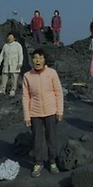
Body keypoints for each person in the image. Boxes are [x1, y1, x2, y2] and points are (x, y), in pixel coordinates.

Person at [23, 48, 64, 177]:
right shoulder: (27, 76)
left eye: (40, 57)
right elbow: (25, 97)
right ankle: (38, 163)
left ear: (44, 59)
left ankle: (52, 161)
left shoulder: (52, 73)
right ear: (32, 60)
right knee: (37, 139)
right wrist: (26, 115)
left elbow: (58, 92)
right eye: (35, 58)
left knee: (51, 138)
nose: (37, 60)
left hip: (51, 111)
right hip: (34, 112)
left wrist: (59, 110)